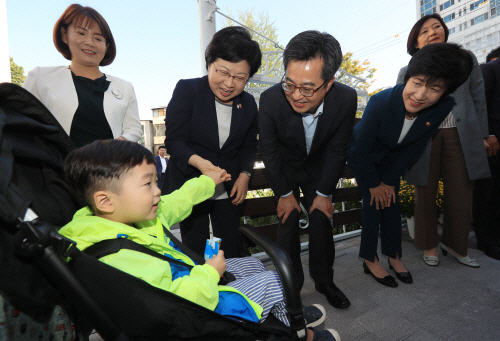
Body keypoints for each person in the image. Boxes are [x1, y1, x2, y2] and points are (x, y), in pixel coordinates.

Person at [59, 139, 340, 341]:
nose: (158, 192)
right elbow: (171, 304)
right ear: (106, 200)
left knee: (252, 266)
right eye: (148, 184)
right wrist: (209, 273)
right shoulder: (117, 257)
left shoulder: (122, 218)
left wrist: (209, 180)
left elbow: (179, 200)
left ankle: (284, 314)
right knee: (272, 279)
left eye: (156, 181)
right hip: (196, 309)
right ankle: (300, 332)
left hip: (190, 279)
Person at [349, 43, 474, 287]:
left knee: (392, 204)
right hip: (365, 157)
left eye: (434, 88)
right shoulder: (380, 102)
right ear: (408, 78)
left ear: (446, 91)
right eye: (417, 83)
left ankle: (394, 257)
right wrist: (375, 183)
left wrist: (388, 180)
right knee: (373, 204)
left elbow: (415, 146)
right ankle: (369, 258)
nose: (420, 95)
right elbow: (361, 149)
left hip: (394, 160)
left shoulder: (443, 106)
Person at [258, 30, 356, 309]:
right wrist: (284, 193)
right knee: (287, 224)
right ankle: (291, 287)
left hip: (320, 170)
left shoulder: (346, 99)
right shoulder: (271, 99)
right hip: (285, 170)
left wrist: (324, 193)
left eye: (308, 88)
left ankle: (325, 281)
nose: (297, 96)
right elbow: (270, 151)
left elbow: (338, 149)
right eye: (290, 84)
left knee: (322, 220)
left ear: (330, 83)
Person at [396, 14, 491, 268]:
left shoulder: (465, 60)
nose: (432, 31)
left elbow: (478, 97)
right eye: (424, 30)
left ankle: (457, 246)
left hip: (461, 135)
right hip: (424, 136)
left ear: (445, 31)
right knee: (423, 192)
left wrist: (483, 134)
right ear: (416, 42)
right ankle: (429, 246)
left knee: (461, 193)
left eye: (437, 26)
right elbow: (399, 108)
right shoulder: (408, 70)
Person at [163, 26, 260, 259]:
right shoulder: (188, 90)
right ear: (209, 63)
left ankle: (229, 291)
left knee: (228, 248)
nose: (229, 83)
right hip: (190, 184)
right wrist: (202, 165)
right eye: (222, 72)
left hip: (228, 188)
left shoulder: (247, 104)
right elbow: (175, 141)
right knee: (195, 248)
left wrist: (245, 175)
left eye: (240, 78)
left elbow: (248, 146)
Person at [23, 4, 142, 147]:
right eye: (81, 33)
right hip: (54, 167)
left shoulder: (125, 87)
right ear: (64, 35)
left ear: (107, 46)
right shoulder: (40, 77)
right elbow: (23, 124)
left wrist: (114, 147)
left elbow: (134, 129)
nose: (90, 42)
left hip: (109, 166)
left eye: (98, 39)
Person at [473, 55, 500, 260]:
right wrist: (487, 134)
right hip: (493, 142)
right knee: (488, 192)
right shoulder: (489, 69)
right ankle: (487, 241)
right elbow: (479, 104)